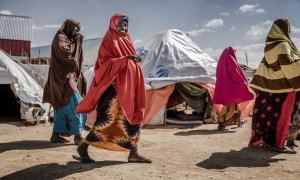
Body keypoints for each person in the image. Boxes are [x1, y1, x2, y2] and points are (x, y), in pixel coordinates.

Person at [72, 13, 152, 163]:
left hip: (130, 89)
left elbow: (129, 61)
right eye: (120, 24)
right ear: (113, 25)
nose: (124, 27)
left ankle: (133, 153)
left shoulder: (126, 40)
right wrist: (125, 59)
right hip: (114, 93)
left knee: (134, 119)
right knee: (109, 121)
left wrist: (133, 61)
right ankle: (83, 147)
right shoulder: (109, 40)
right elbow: (103, 64)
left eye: (126, 25)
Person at [249, 18, 300, 154]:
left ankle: (259, 140)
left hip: (266, 88)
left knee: (265, 116)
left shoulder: (269, 47)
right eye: (288, 29)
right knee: (283, 117)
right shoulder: (283, 45)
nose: (290, 31)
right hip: (284, 87)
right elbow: (287, 65)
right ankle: (279, 144)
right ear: (283, 30)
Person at [43, 19, 87, 146]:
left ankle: (55, 135)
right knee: (77, 106)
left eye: (78, 29)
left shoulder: (70, 39)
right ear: (68, 27)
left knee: (62, 109)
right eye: (75, 29)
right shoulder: (60, 37)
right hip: (61, 79)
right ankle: (78, 136)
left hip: (68, 78)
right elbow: (68, 57)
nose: (77, 32)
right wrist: (78, 41)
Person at [213, 47, 254, 130]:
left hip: (225, 88)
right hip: (231, 89)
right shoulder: (231, 60)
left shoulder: (221, 62)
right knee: (229, 108)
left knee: (234, 107)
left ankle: (237, 121)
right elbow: (236, 73)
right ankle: (222, 124)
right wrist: (244, 82)